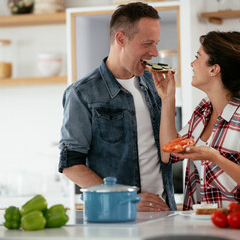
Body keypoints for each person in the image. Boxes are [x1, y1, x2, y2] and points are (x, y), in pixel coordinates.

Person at [58, 2, 176, 212]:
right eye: (147, 43)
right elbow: (71, 165)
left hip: (164, 211)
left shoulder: (155, 84)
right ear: (121, 39)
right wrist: (124, 199)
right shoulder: (81, 93)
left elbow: (170, 150)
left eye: (156, 43)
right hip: (113, 216)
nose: (155, 52)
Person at [153, 31, 240, 210]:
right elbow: (168, 154)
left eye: (197, 57)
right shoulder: (203, 110)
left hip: (239, 230)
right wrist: (168, 99)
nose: (192, 64)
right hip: (201, 227)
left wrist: (215, 157)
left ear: (214, 69)